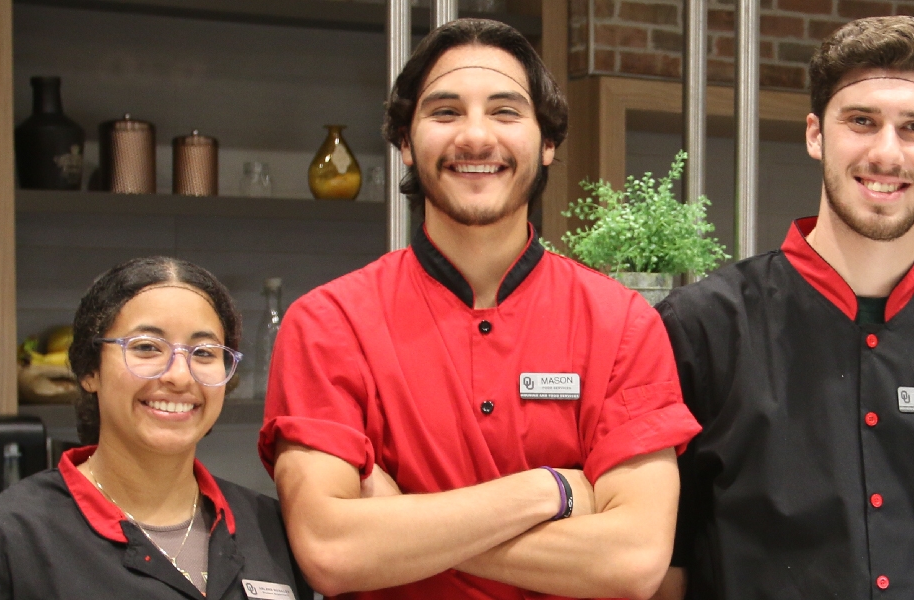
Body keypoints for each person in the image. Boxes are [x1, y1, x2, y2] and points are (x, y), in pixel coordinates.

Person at [258, 18, 701, 600]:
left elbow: (633, 561)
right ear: (404, 143)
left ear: (547, 143)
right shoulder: (329, 323)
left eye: (505, 111)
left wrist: (404, 528)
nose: (474, 137)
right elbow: (333, 551)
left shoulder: (622, 324)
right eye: (444, 113)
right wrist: (554, 492)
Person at [654, 16, 914, 599]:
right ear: (816, 134)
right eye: (862, 121)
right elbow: (666, 566)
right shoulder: (700, 329)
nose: (886, 152)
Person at [0, 256, 312, 600]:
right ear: (90, 369)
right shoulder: (3, 546)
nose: (179, 375)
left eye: (204, 353)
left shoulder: (270, 529)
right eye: (146, 347)